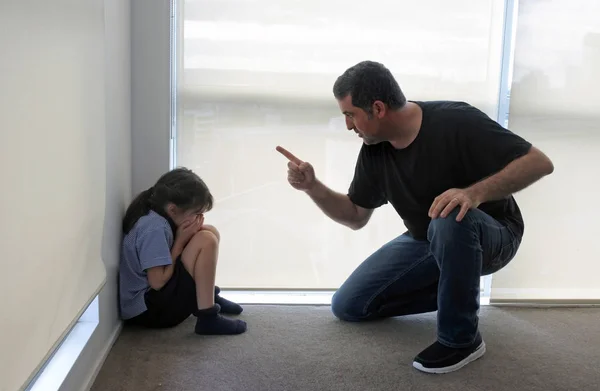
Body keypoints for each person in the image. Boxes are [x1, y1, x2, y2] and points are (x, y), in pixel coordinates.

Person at [276, 60, 554, 373]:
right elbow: (355, 216)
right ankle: (455, 290)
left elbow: (539, 162)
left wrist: (473, 194)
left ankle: (461, 340)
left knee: (450, 217)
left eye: (350, 115)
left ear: (378, 108)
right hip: (427, 238)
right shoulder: (375, 150)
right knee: (349, 305)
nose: (348, 126)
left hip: (493, 233)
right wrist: (312, 187)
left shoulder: (456, 121)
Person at [119, 167, 247, 335]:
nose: (199, 218)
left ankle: (207, 296)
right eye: (196, 213)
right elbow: (157, 282)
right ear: (172, 209)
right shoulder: (154, 228)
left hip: (154, 298)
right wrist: (179, 242)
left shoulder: (159, 214)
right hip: (148, 311)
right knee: (206, 241)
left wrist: (184, 238)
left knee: (209, 231)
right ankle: (207, 318)